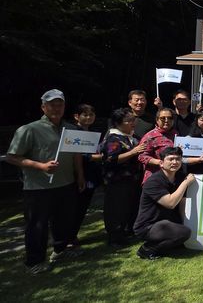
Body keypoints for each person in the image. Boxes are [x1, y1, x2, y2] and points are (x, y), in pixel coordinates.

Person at [6, 89, 85, 274]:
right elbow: (12, 157)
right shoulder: (29, 129)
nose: (56, 108)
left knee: (63, 221)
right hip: (38, 187)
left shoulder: (71, 129)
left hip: (66, 183)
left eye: (60, 104)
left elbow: (76, 155)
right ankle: (34, 261)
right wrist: (40, 166)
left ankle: (60, 250)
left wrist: (80, 175)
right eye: (52, 105)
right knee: (37, 225)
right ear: (43, 107)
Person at [133, 147, 194, 260]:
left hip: (167, 221)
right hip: (148, 226)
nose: (175, 162)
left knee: (184, 231)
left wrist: (184, 221)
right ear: (161, 163)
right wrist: (186, 183)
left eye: (178, 159)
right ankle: (147, 249)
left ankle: (172, 239)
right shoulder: (153, 181)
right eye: (170, 159)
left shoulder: (180, 177)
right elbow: (170, 203)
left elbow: (182, 201)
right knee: (184, 232)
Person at [100, 108, 145, 246]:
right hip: (117, 180)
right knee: (116, 208)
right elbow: (111, 159)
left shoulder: (132, 136)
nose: (132, 123)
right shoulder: (113, 138)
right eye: (128, 120)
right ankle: (114, 237)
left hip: (132, 180)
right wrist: (133, 152)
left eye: (133, 120)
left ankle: (126, 232)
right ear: (118, 123)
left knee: (128, 207)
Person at [138, 108, 203, 184]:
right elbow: (142, 156)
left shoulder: (176, 134)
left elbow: (181, 158)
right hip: (155, 179)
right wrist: (160, 162)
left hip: (174, 179)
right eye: (163, 118)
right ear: (157, 120)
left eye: (170, 118)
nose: (166, 120)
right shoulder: (150, 136)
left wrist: (198, 159)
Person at [69, 104, 101, 247]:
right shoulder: (73, 131)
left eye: (91, 115)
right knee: (75, 206)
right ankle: (69, 237)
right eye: (85, 115)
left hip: (91, 174)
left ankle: (73, 235)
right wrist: (95, 157)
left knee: (83, 206)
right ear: (77, 116)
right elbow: (76, 154)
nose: (88, 117)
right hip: (77, 175)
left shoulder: (93, 132)